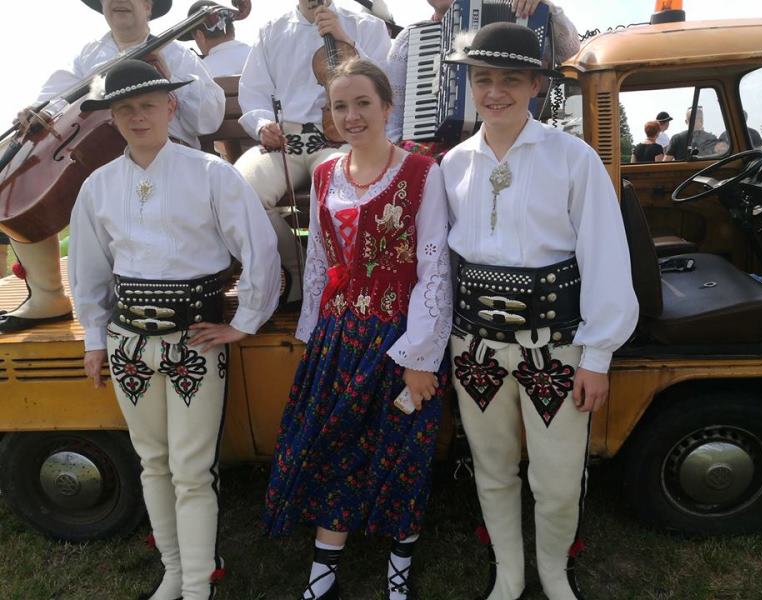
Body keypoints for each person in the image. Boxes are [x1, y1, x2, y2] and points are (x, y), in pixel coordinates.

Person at [69, 59, 281, 600]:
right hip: (127, 343)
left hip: (194, 340)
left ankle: (198, 582)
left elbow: (259, 246)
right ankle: (172, 571)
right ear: (112, 117)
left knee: (191, 467)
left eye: (147, 105)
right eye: (125, 109)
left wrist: (246, 321)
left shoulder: (210, 173)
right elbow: (89, 270)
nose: (137, 117)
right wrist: (94, 338)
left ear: (171, 106)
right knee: (153, 462)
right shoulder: (98, 186)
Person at [440, 23, 638, 600]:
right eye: (482, 78)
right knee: (492, 467)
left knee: (556, 478)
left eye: (509, 79)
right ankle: (509, 575)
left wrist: (597, 356)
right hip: (474, 345)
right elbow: (442, 263)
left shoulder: (573, 158)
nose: (494, 91)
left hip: (556, 345)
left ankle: (554, 574)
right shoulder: (452, 165)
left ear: (535, 85)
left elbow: (604, 255)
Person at [263, 58, 452, 600]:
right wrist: (312, 335)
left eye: (363, 103)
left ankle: (399, 570)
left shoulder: (422, 172)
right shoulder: (326, 173)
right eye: (340, 105)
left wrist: (420, 358)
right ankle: (323, 573)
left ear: (387, 107)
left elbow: (435, 267)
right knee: (334, 447)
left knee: (403, 449)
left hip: (400, 335)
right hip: (340, 335)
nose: (352, 115)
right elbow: (320, 261)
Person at [0, 0, 224, 333]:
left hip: (165, 157)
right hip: (101, 161)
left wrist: (167, 73)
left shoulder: (177, 54)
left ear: (147, 7)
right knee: (21, 178)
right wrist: (37, 111)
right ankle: (48, 295)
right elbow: (53, 98)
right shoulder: (88, 54)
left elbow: (209, 119)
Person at [234, 0, 391, 304]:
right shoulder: (272, 30)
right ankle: (295, 267)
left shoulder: (367, 25)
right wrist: (263, 124)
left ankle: (344, 280)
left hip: (342, 139)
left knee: (339, 189)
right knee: (240, 189)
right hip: (285, 140)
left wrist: (347, 41)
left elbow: (385, 87)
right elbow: (253, 92)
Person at [386, 0, 581, 145]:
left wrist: (548, 7)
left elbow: (569, 51)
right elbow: (392, 121)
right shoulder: (410, 39)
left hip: (520, 145)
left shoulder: (514, 17)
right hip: (435, 161)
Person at [178, 0, 252, 77]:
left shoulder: (200, 72)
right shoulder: (255, 54)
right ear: (232, 31)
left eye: (195, 39)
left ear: (200, 35)